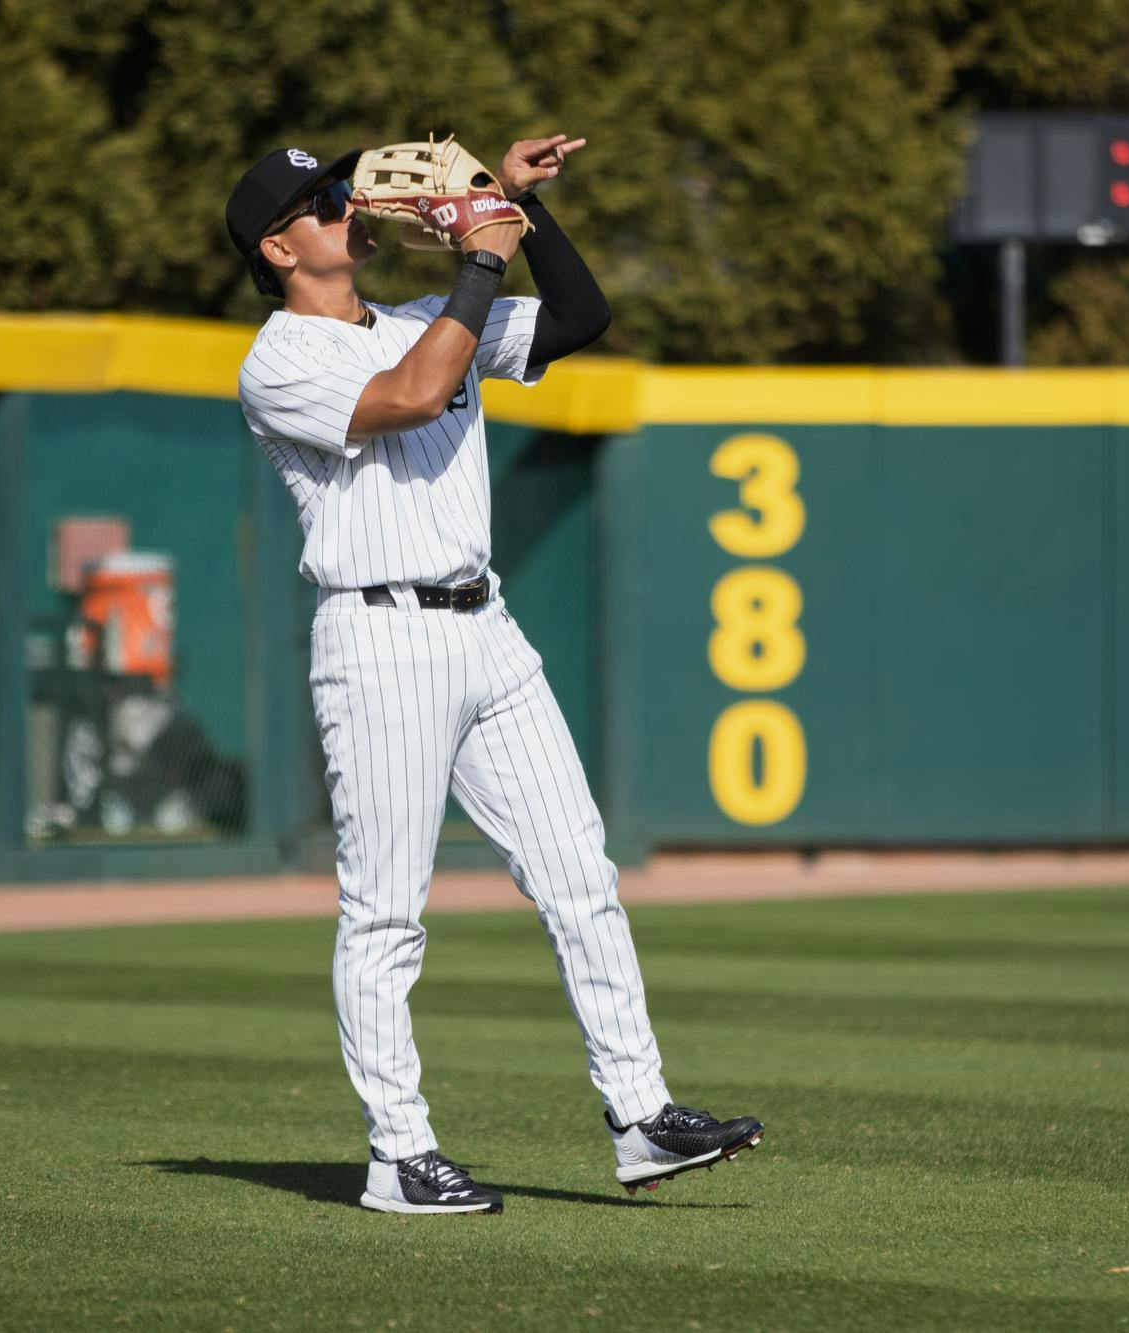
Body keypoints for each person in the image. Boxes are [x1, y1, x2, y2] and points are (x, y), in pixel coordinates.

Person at [226, 135, 763, 1215]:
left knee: (580, 873)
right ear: (280, 247)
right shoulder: (278, 360)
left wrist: (509, 209)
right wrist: (476, 259)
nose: (343, 204)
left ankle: (641, 1115)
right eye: (319, 201)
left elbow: (578, 319)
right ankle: (397, 1155)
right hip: (378, 638)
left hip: (486, 625)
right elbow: (418, 398)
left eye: (339, 187)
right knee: (385, 915)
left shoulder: (429, 311)